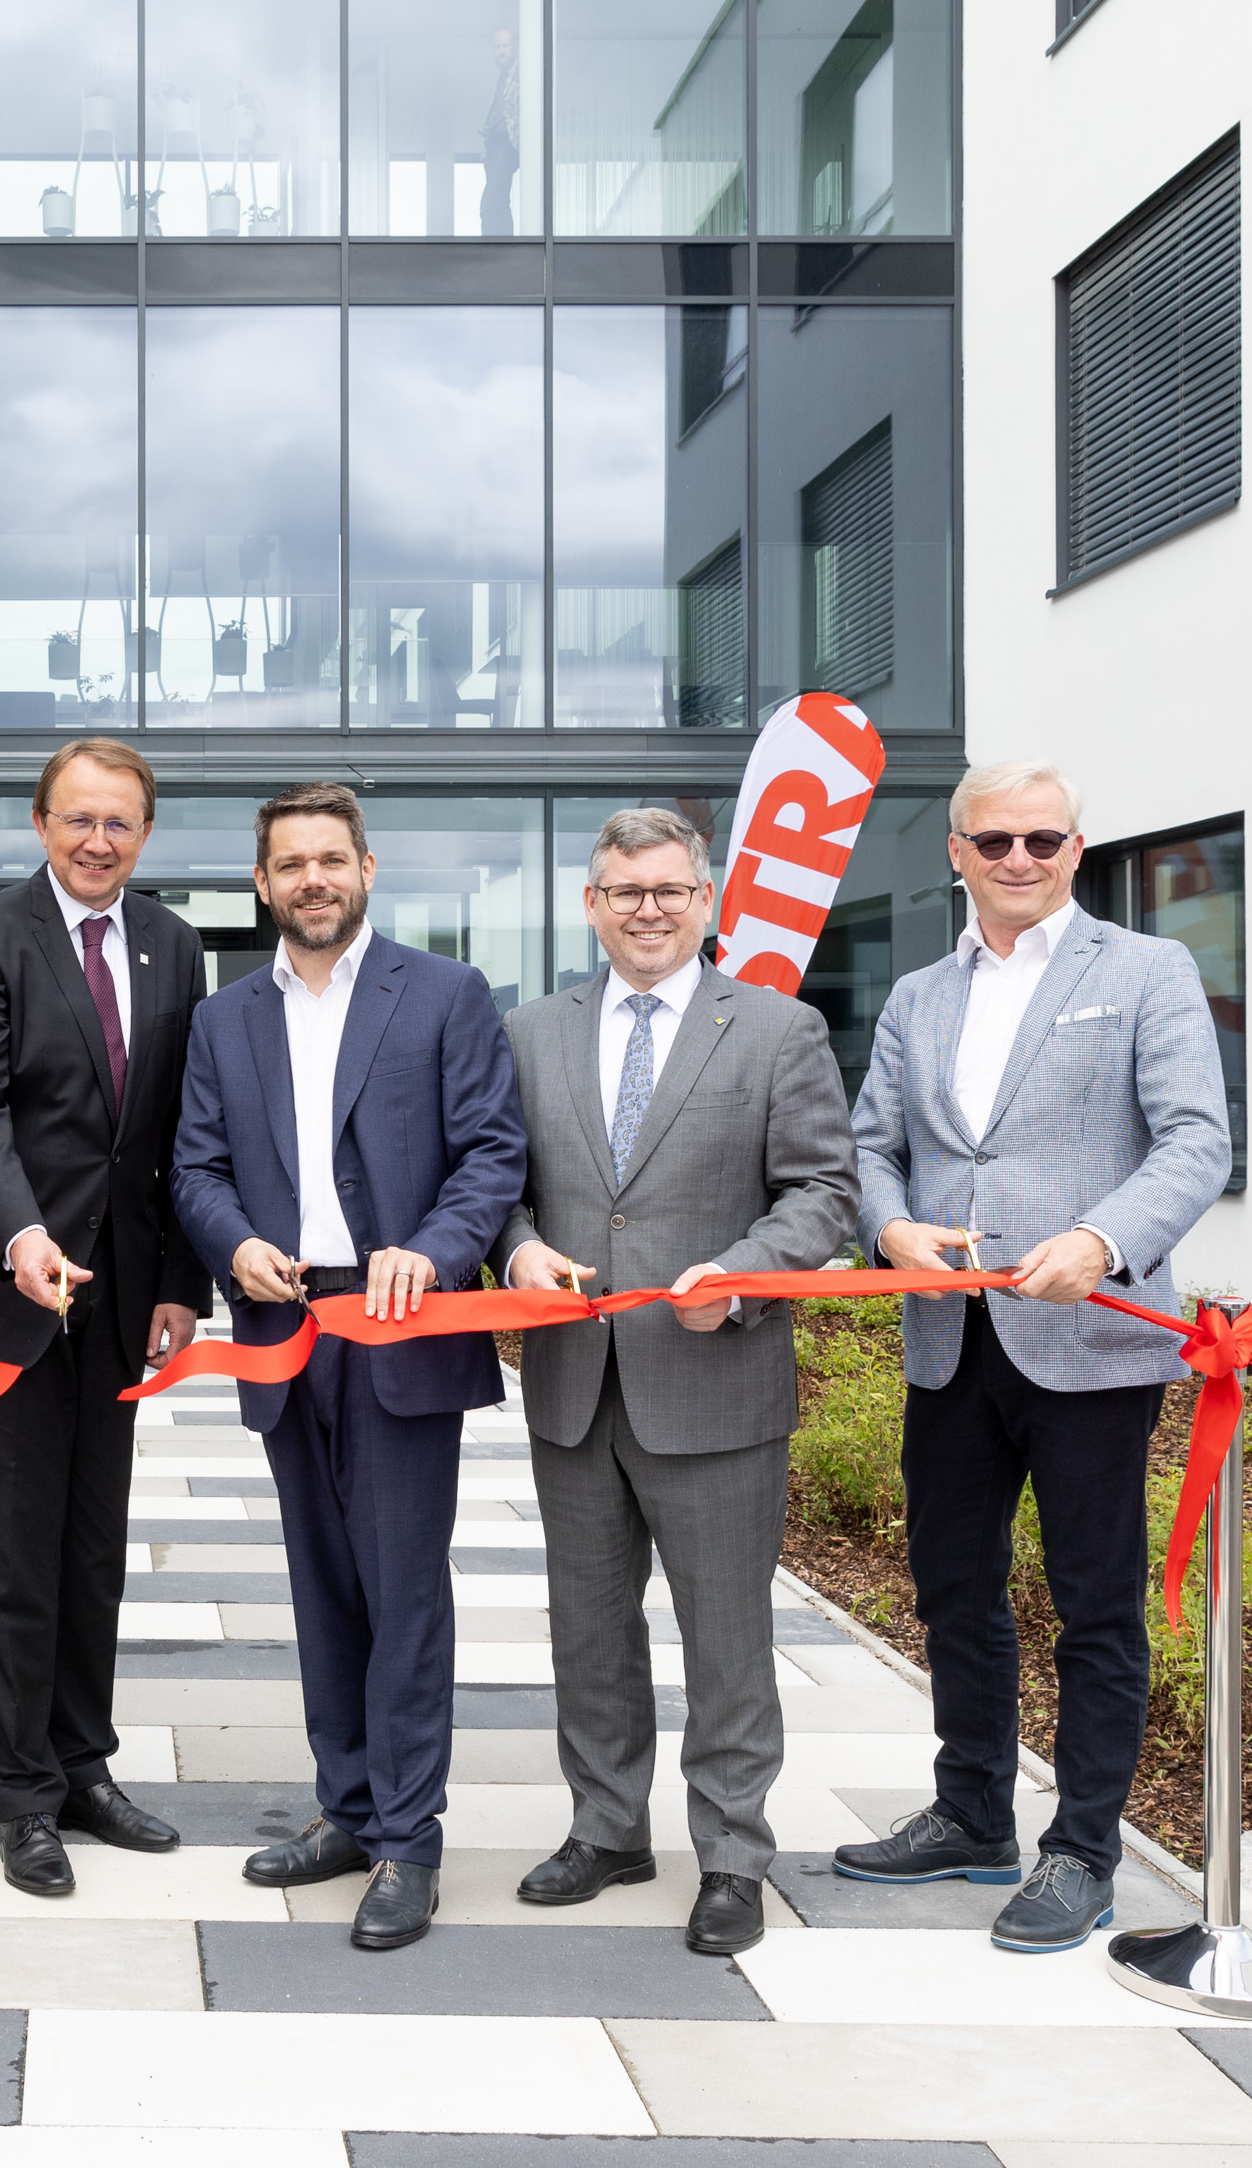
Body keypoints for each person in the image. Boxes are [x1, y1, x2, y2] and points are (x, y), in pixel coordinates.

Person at [839, 759, 1231, 1952]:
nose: (1020, 859)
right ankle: (972, 1811)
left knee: (1093, 1606)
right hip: (950, 1339)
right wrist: (890, 1227)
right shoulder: (918, 995)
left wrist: (1103, 1240)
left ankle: (1084, 1851)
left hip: (1091, 1341)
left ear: (1076, 850)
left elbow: (1196, 1141)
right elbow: (871, 1145)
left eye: (1043, 840)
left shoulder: (1146, 971)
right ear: (956, 851)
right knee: (953, 1587)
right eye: (996, 840)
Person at [171, 783, 529, 1952]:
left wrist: (433, 1251)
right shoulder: (225, 1017)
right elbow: (195, 1168)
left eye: (332, 858)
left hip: (400, 1327)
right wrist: (235, 1244)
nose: (313, 879)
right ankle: (350, 1807)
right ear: (262, 883)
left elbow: (492, 1153)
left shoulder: (445, 994)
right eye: (291, 863)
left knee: (403, 1590)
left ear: (367, 869)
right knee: (322, 1586)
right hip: (285, 1327)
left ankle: (409, 1841)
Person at [494, 808, 855, 1957]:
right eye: (624, 890)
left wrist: (742, 1277)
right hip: (574, 1385)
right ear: (592, 904)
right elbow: (497, 1183)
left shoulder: (779, 1029)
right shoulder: (529, 1032)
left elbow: (823, 1192)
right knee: (588, 1629)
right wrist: (517, 1250)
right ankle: (607, 1828)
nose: (647, 909)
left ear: (707, 900)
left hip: (715, 1380)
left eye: (668, 889)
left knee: (725, 1636)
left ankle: (734, 1855)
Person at [0, 738, 212, 1896]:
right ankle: (23, 1794)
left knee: (94, 1546)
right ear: (41, 823)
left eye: (120, 822)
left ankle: (84, 1765)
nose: (99, 840)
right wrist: (21, 1235)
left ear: (144, 833)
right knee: (18, 1551)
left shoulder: (173, 943)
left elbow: (185, 1128)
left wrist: (182, 1283)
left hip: (125, 1294)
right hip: (12, 1289)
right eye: (80, 818)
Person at [479, 27, 521, 237]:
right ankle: (504, 245)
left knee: (489, 205)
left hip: (506, 145)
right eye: (498, 47)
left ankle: (494, 248)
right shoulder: (503, 77)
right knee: (500, 203)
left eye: (506, 46)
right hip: (495, 148)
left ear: (515, 47)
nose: (502, 51)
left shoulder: (521, 72)